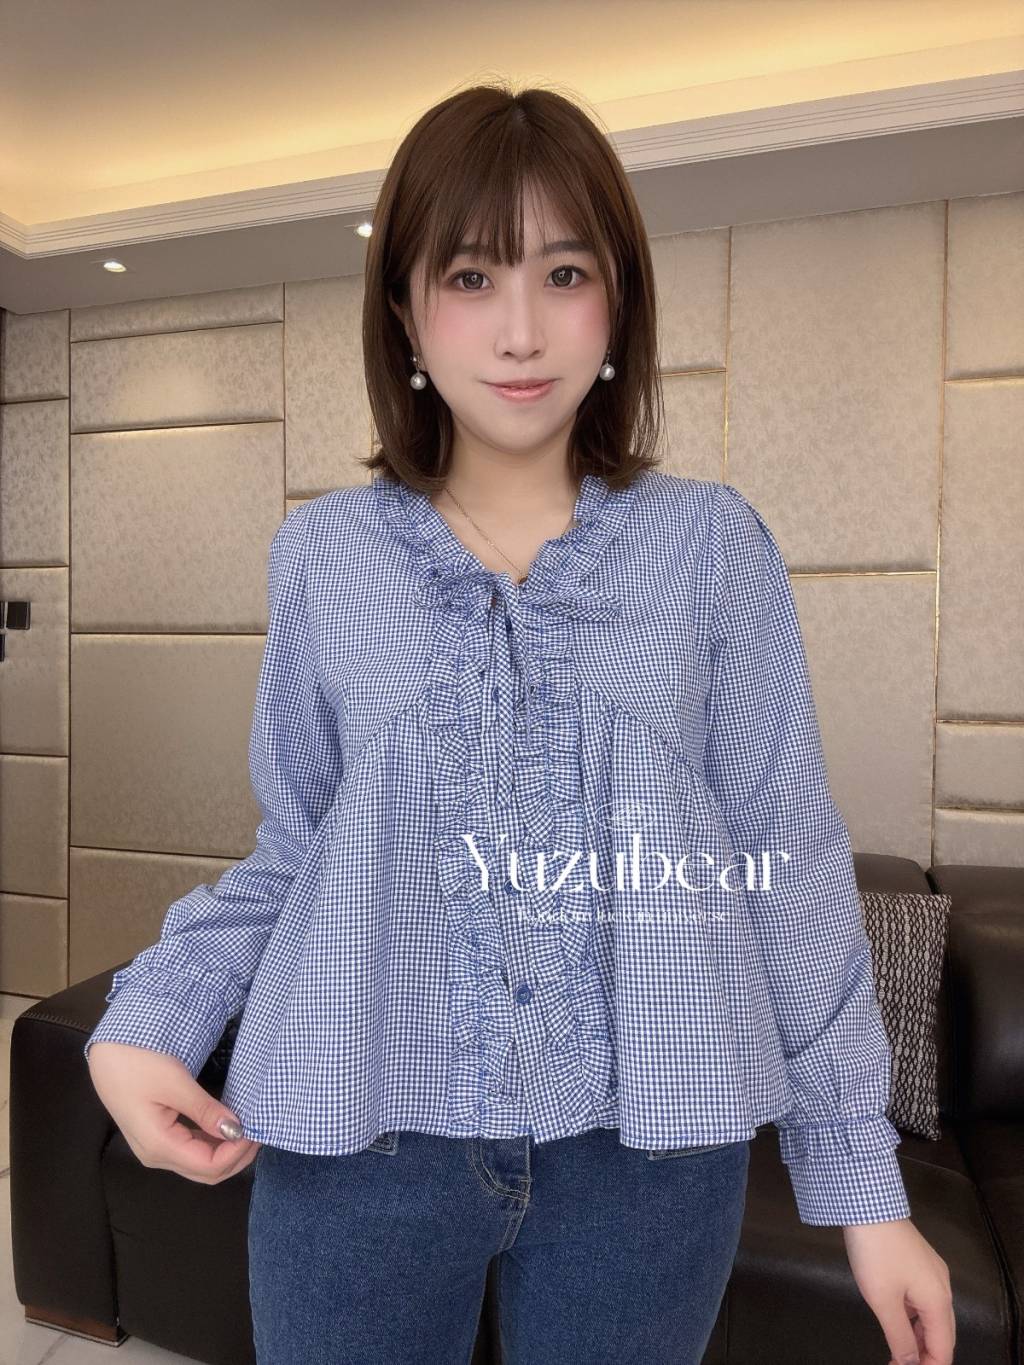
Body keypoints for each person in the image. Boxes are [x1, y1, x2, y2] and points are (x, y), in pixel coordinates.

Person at [85, 81, 955, 1365]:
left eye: (563, 272)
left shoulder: (710, 547)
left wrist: (859, 1182)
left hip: (651, 1166)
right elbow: (302, 849)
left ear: (617, 302)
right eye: (470, 276)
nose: (520, 329)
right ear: (404, 310)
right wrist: (147, 1019)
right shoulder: (325, 557)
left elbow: (785, 859)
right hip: (361, 1139)